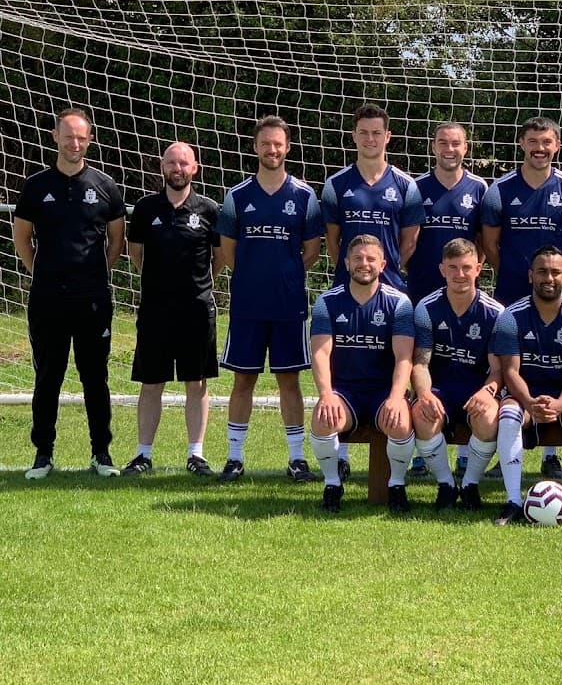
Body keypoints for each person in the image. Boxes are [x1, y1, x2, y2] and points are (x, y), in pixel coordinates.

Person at [15, 108, 126, 479]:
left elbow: (116, 241)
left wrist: (95, 275)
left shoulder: (105, 186)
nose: (74, 143)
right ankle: (43, 455)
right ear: (55, 137)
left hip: (93, 300)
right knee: (48, 376)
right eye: (68, 136)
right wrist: (42, 274)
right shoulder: (35, 186)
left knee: (95, 377)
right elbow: (21, 238)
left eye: (81, 137)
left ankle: (102, 454)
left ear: (89, 140)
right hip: (48, 299)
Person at [216, 115, 323, 483]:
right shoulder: (237, 196)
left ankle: (296, 460)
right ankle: (234, 458)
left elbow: (311, 250)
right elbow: (228, 250)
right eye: (266, 143)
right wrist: (253, 275)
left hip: (289, 305)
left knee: (289, 381)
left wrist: (286, 274)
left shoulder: (304, 196)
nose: (272, 149)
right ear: (255, 147)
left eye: (278, 144)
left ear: (287, 147)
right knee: (242, 381)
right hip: (248, 305)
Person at [481, 116, 562, 479]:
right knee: (510, 368)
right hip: (511, 292)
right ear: (522, 144)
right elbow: (490, 243)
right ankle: (506, 451)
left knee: (554, 364)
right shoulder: (500, 189)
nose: (540, 148)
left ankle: (551, 456)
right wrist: (516, 273)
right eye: (533, 141)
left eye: (547, 142)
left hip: (553, 292)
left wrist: (550, 277)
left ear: (557, 145)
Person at [122, 142, 222, 477]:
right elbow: (136, 254)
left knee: (197, 382)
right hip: (155, 310)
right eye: (171, 163)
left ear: (195, 168)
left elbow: (218, 259)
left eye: (184, 163)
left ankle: (196, 454)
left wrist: (197, 284)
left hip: (197, 309)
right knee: (152, 383)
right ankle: (143, 454)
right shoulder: (146, 208)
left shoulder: (208, 209)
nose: (177, 169)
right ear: (162, 167)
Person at [488, 246, 562, 526]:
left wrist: (560, 403)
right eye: (542, 272)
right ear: (530, 276)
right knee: (509, 412)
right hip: (525, 393)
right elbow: (510, 370)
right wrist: (528, 403)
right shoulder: (511, 316)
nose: (548, 278)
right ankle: (512, 501)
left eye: (555, 272)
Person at [307, 235, 416, 512]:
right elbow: (320, 353)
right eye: (357, 258)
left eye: (370, 259)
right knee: (322, 418)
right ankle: (332, 484)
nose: (363, 264)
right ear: (346, 263)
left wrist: (396, 397)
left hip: (382, 391)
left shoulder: (399, 303)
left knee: (401, 422)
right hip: (345, 392)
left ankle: (397, 486)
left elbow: (405, 357)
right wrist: (326, 395)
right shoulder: (327, 302)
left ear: (382, 264)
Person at [411, 238, 504, 511]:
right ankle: (446, 485)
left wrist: (488, 392)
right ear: (442, 270)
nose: (460, 274)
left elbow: (499, 369)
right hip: (440, 387)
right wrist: (425, 394)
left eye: (466, 267)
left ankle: (470, 484)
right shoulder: (426, 308)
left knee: (487, 418)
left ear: (478, 269)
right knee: (422, 414)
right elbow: (420, 363)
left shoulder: (495, 312)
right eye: (453, 267)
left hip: (477, 388)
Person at [321, 103, 423, 292]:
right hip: (347, 286)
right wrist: (353, 270)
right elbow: (332, 241)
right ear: (354, 136)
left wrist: (384, 269)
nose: (369, 139)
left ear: (387, 137)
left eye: (376, 133)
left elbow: (410, 242)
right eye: (363, 133)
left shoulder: (407, 185)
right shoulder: (335, 184)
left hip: (390, 285)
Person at [407, 123, 488, 306]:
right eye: (442, 143)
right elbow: (408, 240)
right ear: (433, 146)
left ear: (465, 148)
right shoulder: (416, 187)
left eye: (455, 143)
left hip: (463, 287)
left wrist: (469, 270)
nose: (449, 149)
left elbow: (484, 241)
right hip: (421, 286)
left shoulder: (479, 187)